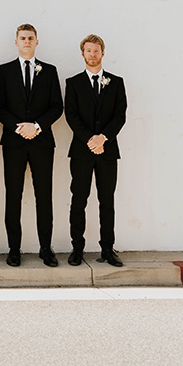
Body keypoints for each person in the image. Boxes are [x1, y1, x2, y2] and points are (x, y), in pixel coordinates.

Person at [0, 24, 63, 267]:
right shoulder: (4, 71)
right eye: (22, 38)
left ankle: (46, 248)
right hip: (13, 143)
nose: (26, 41)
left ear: (37, 42)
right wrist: (18, 127)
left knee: (43, 196)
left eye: (30, 38)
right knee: (13, 195)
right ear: (16, 42)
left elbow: (57, 106)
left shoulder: (50, 71)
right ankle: (14, 249)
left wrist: (36, 126)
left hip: (42, 142)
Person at [64, 34, 128, 267]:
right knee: (79, 199)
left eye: (96, 50)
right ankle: (77, 249)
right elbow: (71, 115)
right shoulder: (73, 83)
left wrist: (103, 138)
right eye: (88, 51)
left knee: (107, 201)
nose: (92, 54)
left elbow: (120, 116)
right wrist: (90, 139)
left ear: (103, 53)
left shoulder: (117, 82)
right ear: (83, 54)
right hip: (81, 152)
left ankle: (108, 249)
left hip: (108, 151)